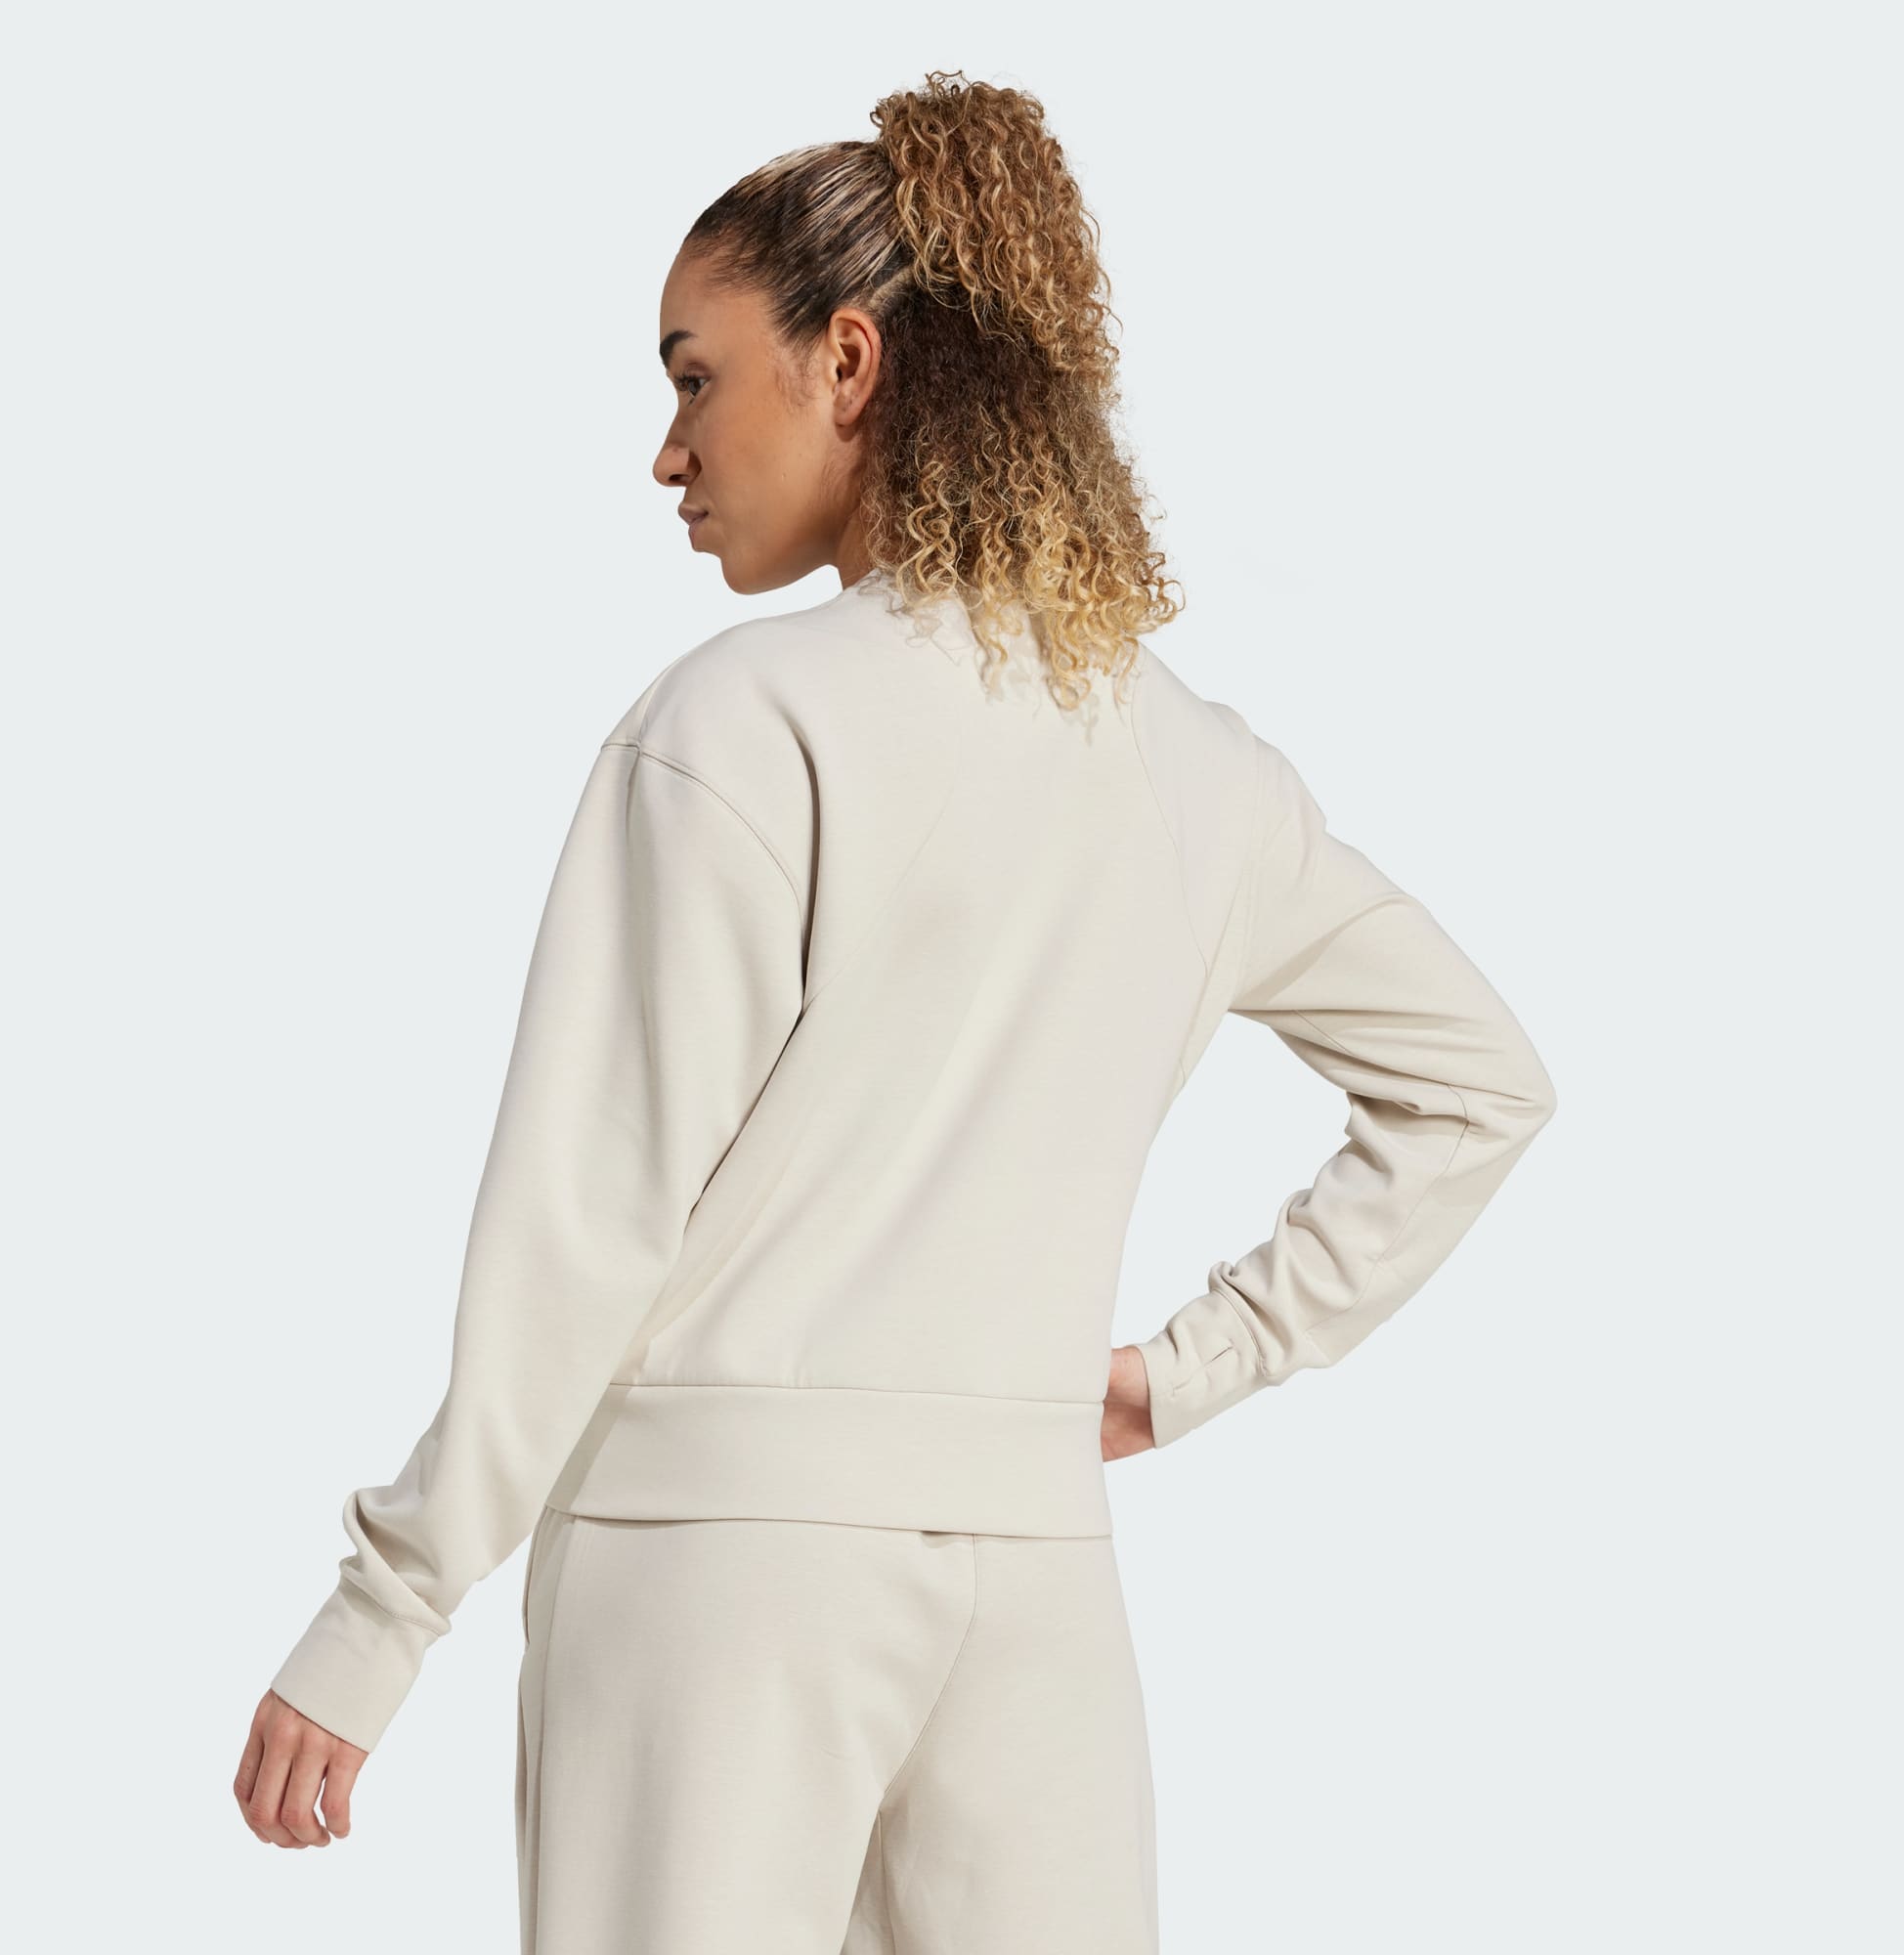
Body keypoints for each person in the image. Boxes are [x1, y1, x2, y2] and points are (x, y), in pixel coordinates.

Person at [233, 67, 1556, 1954]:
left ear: (848, 361)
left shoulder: (743, 724)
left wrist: (382, 1615)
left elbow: (587, 1224)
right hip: (1034, 1583)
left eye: (695, 376)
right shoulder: (1197, 770)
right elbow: (1480, 1085)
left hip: (716, 1573)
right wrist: (1190, 1370)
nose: (669, 452)